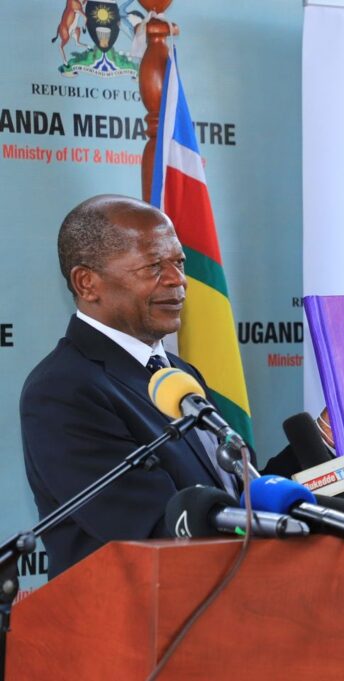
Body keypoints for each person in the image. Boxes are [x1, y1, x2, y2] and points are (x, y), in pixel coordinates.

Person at [20, 195, 294, 578]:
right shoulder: (63, 390)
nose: (178, 280)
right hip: (134, 610)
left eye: (178, 263)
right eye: (153, 266)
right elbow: (158, 525)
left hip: (223, 600)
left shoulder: (179, 374)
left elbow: (239, 493)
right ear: (87, 283)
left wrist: (322, 439)